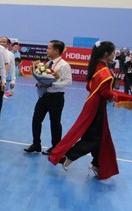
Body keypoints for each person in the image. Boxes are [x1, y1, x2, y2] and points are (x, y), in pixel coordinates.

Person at [48, 41, 120, 179]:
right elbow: (106, 93)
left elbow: (90, 87)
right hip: (97, 108)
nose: (114, 54)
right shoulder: (104, 71)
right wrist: (119, 98)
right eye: (113, 52)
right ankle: (69, 156)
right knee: (96, 139)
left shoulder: (97, 67)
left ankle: (97, 164)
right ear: (106, 54)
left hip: (92, 105)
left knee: (96, 136)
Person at [24, 40, 73, 155]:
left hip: (56, 97)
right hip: (44, 96)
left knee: (55, 122)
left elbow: (68, 82)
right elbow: (43, 76)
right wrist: (40, 82)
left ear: (56, 51)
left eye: (49, 48)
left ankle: (55, 147)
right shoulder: (48, 63)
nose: (47, 50)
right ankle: (36, 144)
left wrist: (53, 84)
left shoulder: (64, 65)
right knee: (36, 119)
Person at [0, 36, 15, 123]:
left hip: (2, 80)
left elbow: (12, 68)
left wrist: (13, 80)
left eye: (4, 42)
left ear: (8, 44)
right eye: (0, 41)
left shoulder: (10, 55)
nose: (2, 43)